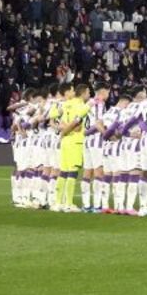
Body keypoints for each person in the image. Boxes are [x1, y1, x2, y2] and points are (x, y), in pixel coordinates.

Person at [54, 83, 90, 213]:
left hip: (65, 141)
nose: (89, 94)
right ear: (84, 93)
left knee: (63, 171)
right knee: (73, 172)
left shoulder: (66, 104)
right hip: (75, 140)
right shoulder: (81, 106)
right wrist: (67, 131)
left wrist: (64, 132)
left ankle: (58, 203)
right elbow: (78, 126)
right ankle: (68, 203)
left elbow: (61, 124)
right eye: (88, 92)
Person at [80, 84, 110, 212]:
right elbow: (98, 124)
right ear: (103, 92)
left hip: (87, 142)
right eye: (108, 92)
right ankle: (98, 205)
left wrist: (86, 133)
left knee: (87, 172)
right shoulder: (99, 103)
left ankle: (86, 205)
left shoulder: (88, 103)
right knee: (99, 172)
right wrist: (106, 134)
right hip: (96, 141)